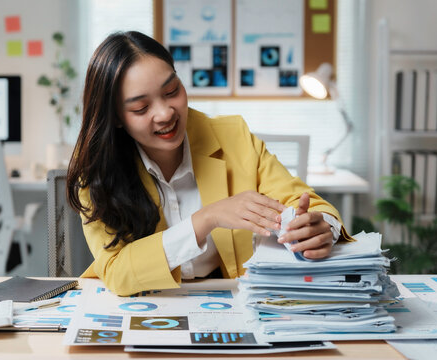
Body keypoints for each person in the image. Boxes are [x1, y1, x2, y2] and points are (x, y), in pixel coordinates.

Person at [67, 31, 352, 296]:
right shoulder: (96, 170)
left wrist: (319, 226)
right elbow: (116, 271)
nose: (165, 113)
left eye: (172, 91)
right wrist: (206, 219)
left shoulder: (232, 136)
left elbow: (306, 202)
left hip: (232, 301)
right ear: (116, 116)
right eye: (141, 108)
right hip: (150, 303)